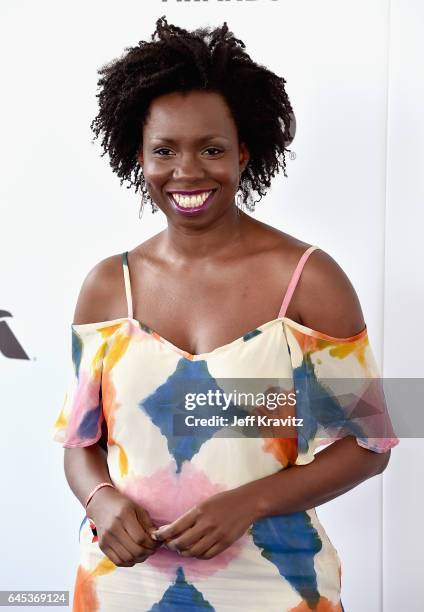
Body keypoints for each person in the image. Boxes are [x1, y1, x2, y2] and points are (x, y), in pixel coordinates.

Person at [51, 15, 399, 611]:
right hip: (120, 585)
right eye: (164, 150)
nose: (187, 172)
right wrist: (101, 500)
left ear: (243, 152)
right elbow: (80, 443)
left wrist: (250, 502)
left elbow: (373, 444)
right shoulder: (109, 286)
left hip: (278, 584)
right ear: (139, 156)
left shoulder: (309, 280)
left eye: (211, 149)